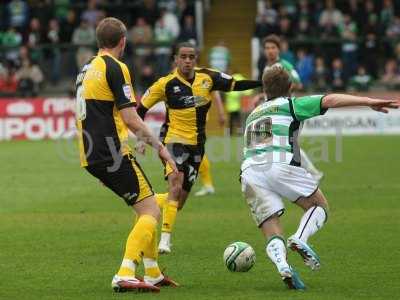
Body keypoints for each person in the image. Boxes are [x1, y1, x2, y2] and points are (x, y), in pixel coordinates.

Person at [240, 67, 399, 290]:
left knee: (270, 225)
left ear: (264, 89)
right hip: (279, 163)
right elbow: (330, 99)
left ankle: (283, 266)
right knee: (319, 206)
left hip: (249, 171)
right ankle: (300, 239)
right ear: (290, 88)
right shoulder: (291, 104)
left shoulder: (253, 113)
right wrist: (369, 101)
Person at [75, 17, 179, 293]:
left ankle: (153, 273)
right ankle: (125, 272)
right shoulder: (116, 67)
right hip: (110, 151)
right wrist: (161, 148)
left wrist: (99, 160)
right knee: (150, 209)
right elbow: (131, 119)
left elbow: (97, 115)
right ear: (123, 41)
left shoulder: (86, 68)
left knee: (147, 204)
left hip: (92, 152)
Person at [136, 42, 262, 253]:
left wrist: (262, 83)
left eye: (191, 57)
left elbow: (235, 85)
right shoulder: (165, 84)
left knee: (178, 200)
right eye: (183, 57)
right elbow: (140, 110)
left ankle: (148, 203)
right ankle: (165, 240)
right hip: (172, 141)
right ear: (175, 59)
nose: (187, 61)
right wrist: (141, 138)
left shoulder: (208, 77)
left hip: (197, 145)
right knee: (176, 182)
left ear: (196, 59)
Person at [258, 34, 323, 181]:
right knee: (280, 142)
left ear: (279, 50)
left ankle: (311, 173)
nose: (270, 51)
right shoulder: (266, 67)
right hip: (273, 109)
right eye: (267, 48)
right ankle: (297, 172)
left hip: (286, 110)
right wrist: (261, 97)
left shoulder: (285, 65)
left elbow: (298, 83)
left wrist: (283, 91)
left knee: (289, 142)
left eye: (273, 47)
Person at [194, 91, 226, 197]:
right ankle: (205, 184)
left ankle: (207, 185)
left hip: (195, 118)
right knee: (194, 151)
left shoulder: (206, 75)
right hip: (191, 117)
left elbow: (215, 93)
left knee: (195, 151)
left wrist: (221, 112)